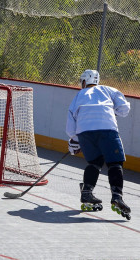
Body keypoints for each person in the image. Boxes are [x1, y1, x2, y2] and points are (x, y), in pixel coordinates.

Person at [66, 69, 131, 217]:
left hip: (84, 132)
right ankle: (117, 197)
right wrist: (112, 111)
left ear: (84, 82)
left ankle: (87, 192)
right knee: (115, 163)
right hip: (107, 128)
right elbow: (125, 108)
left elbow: (71, 122)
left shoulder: (78, 95)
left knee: (95, 162)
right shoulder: (108, 90)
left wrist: (74, 140)